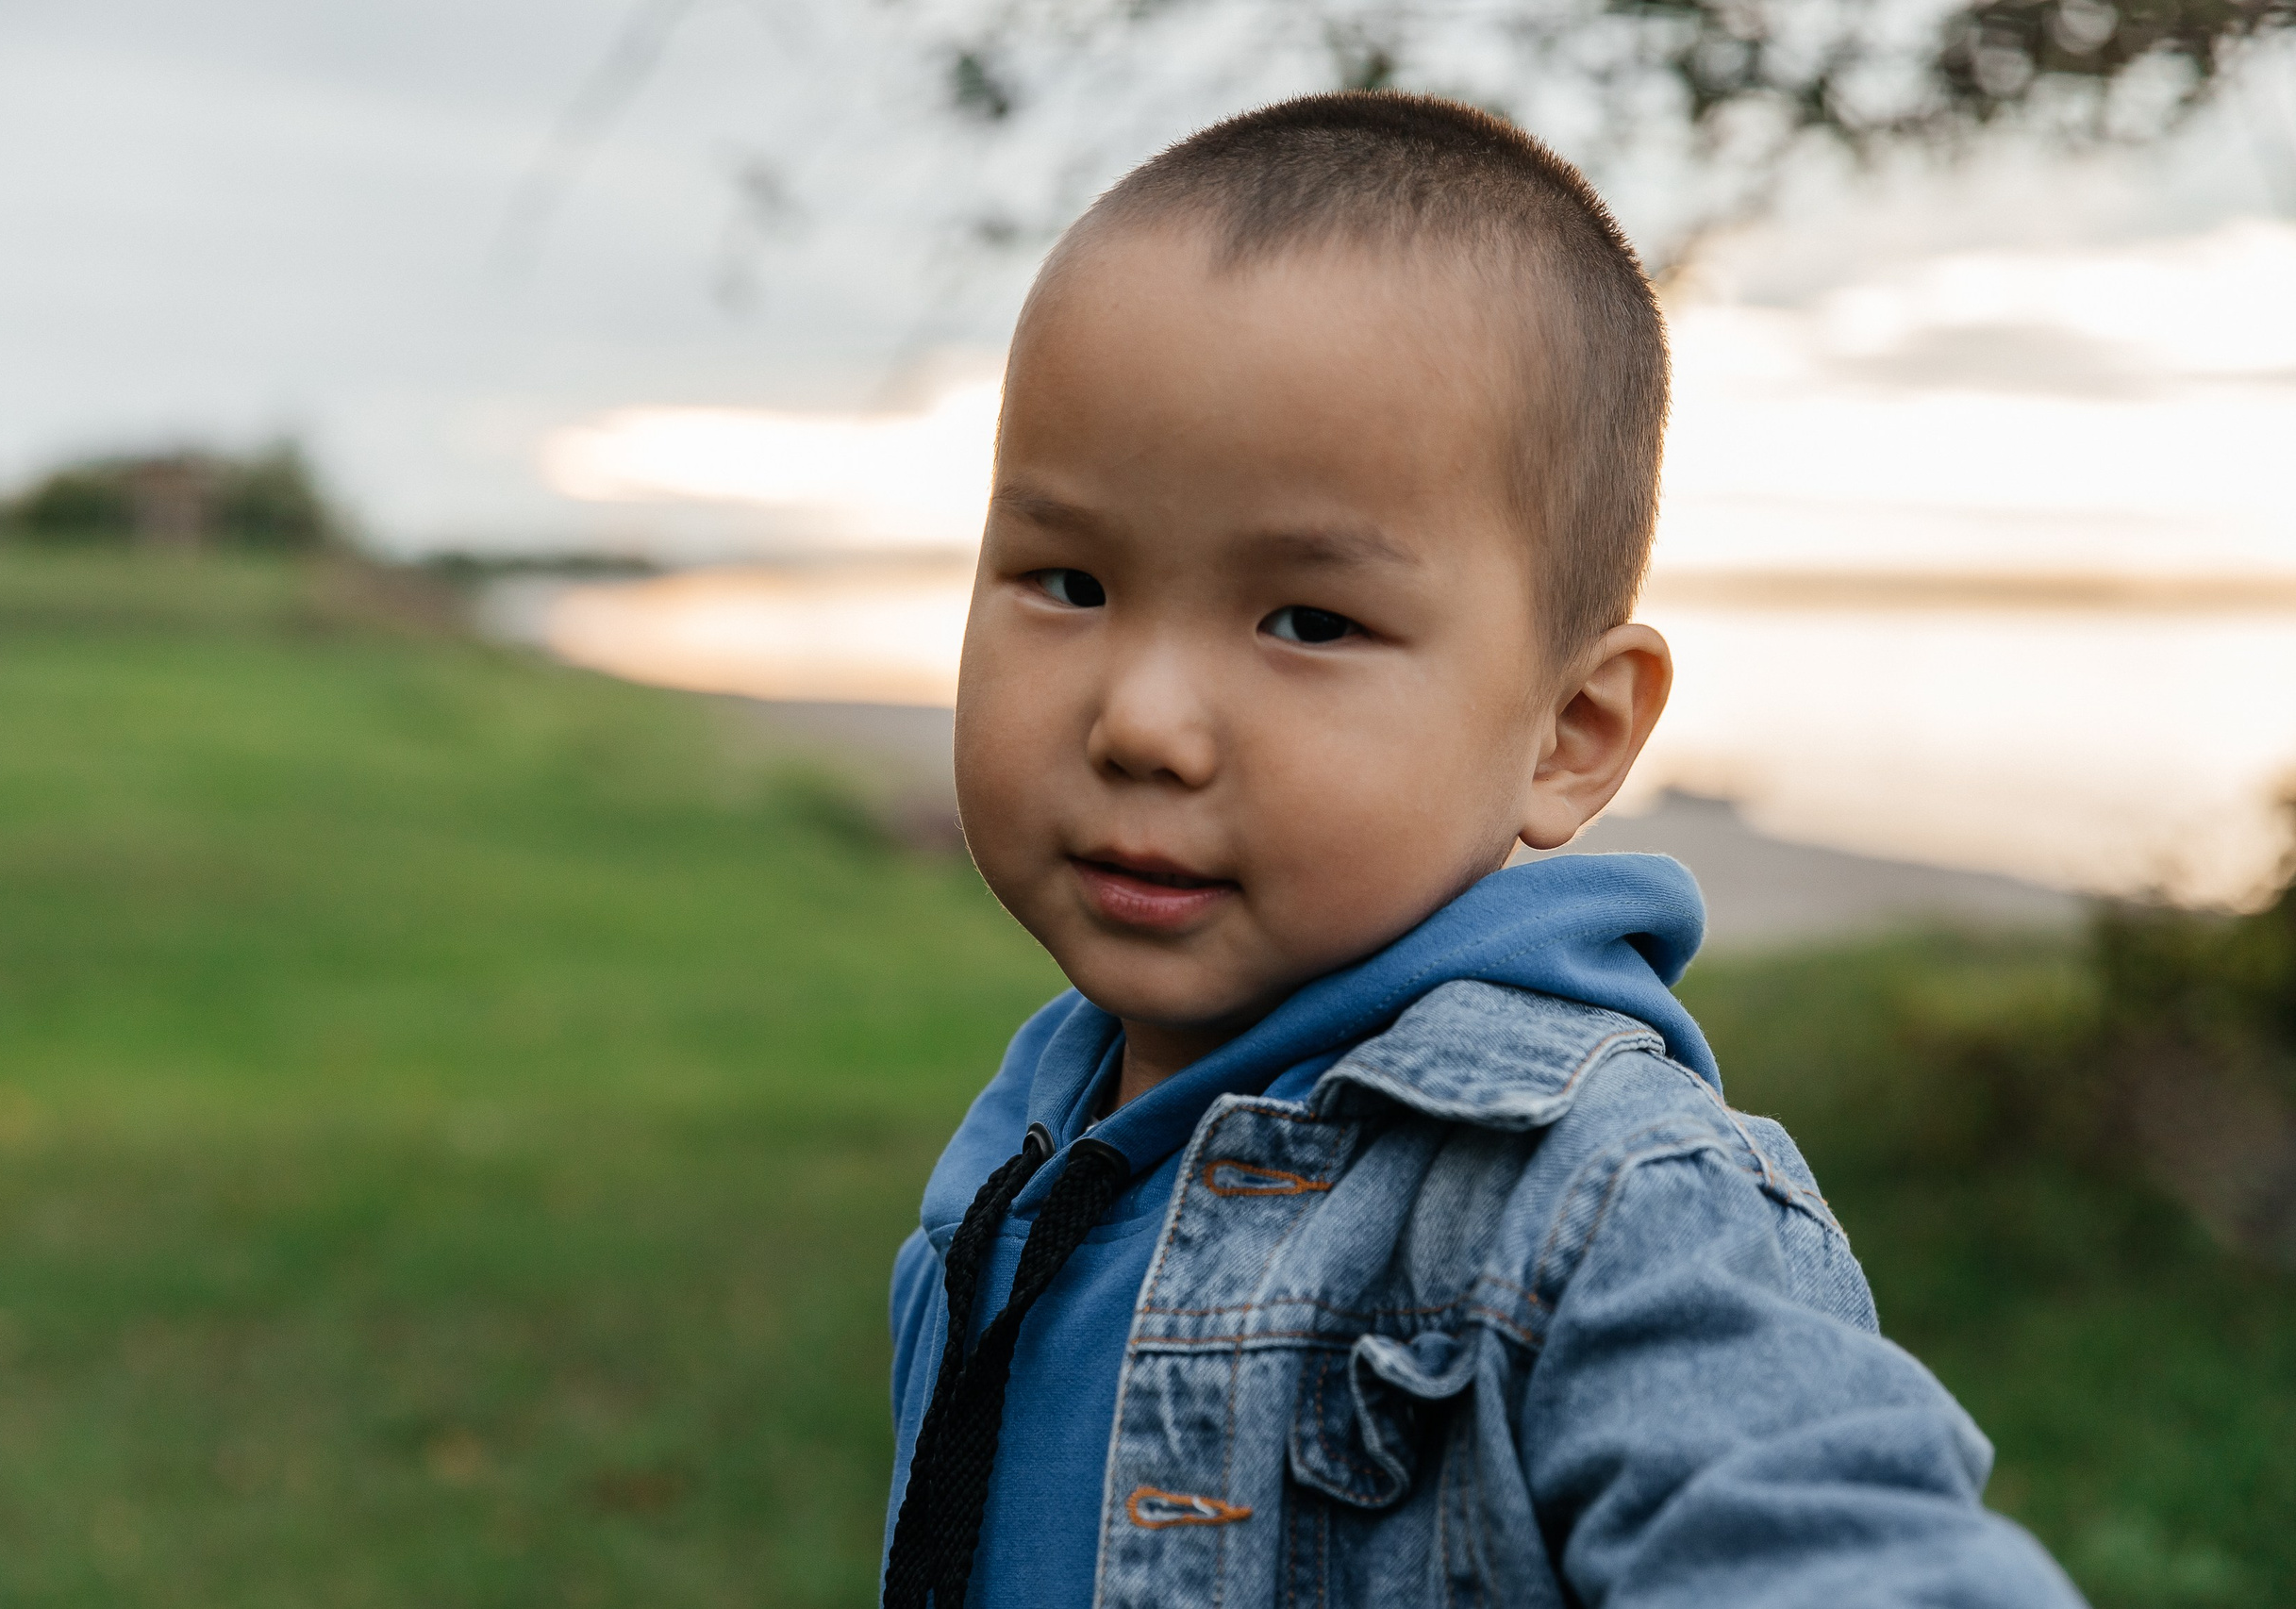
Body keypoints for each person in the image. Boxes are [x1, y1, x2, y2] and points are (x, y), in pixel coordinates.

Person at [881, 91, 2084, 1609]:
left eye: (1308, 621)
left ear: (1570, 732)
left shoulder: (1601, 1208)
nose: (1146, 722)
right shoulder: (1035, 1140)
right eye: (1067, 579)